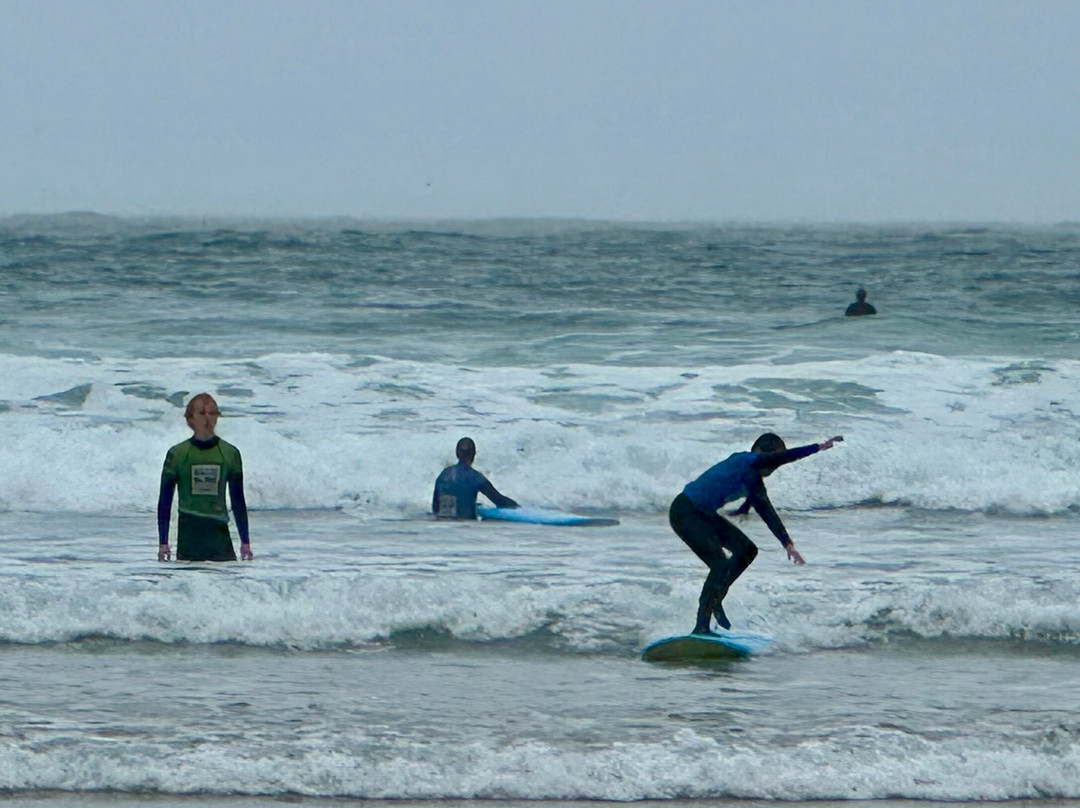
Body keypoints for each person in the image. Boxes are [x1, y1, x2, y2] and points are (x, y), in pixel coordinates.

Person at [669, 432, 842, 634]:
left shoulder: (754, 482)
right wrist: (818, 447)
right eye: (774, 460)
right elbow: (779, 458)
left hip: (703, 515)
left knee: (746, 550)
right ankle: (701, 627)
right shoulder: (745, 460)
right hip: (685, 512)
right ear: (761, 453)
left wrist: (787, 542)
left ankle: (715, 598)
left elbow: (766, 510)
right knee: (719, 566)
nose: (774, 467)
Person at [157, 393, 253, 562]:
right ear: (190, 419)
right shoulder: (178, 454)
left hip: (218, 531)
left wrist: (245, 542)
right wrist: (163, 542)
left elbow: (238, 500)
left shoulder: (230, 453)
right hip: (190, 532)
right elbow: (165, 501)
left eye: (212, 413)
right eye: (201, 413)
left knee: (225, 584)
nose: (207, 418)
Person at [432, 437, 519, 519]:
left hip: (443, 525)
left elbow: (435, 507)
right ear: (473, 455)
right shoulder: (476, 477)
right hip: (467, 527)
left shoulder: (443, 475)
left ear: (457, 454)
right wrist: (519, 508)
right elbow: (500, 501)